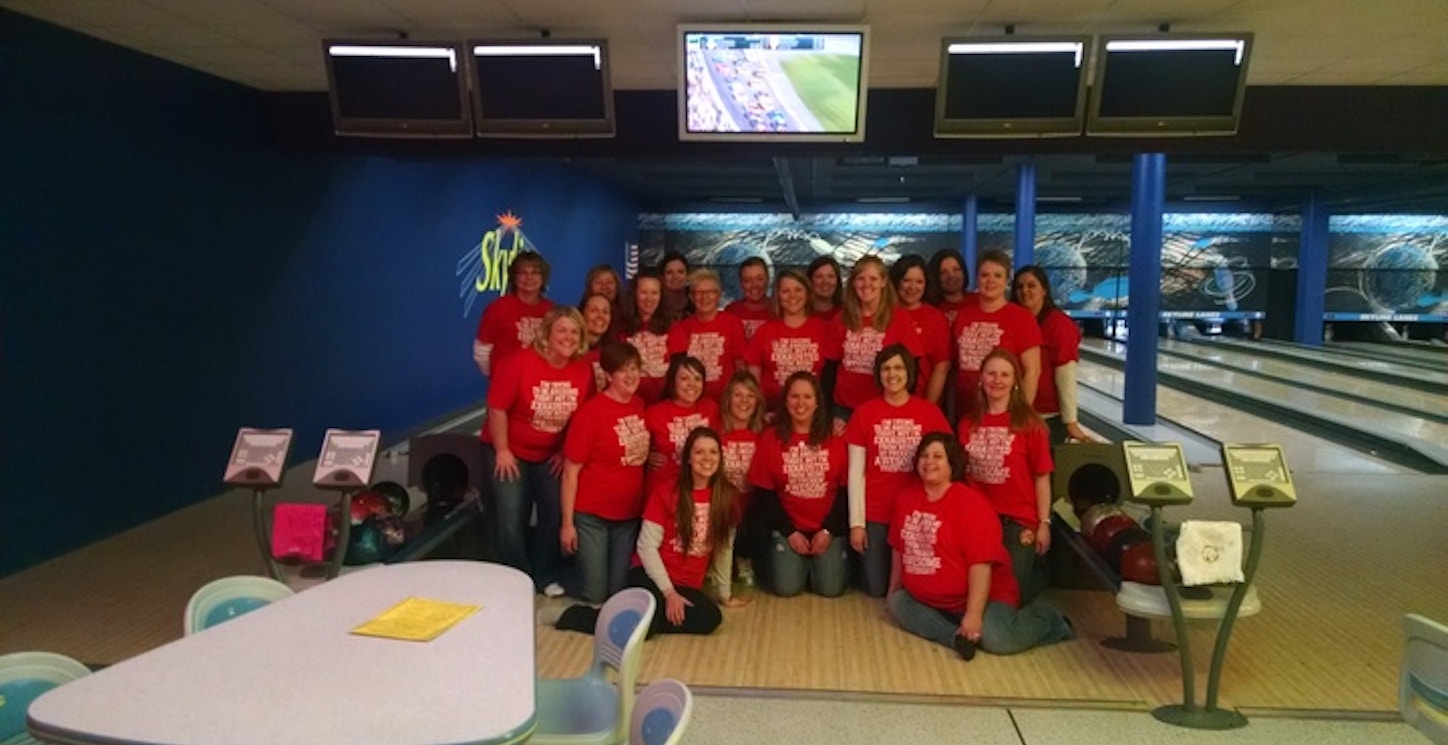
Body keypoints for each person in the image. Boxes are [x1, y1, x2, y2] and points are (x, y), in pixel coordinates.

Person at [887, 433, 1073, 658]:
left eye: (938, 456)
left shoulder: (971, 505)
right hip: (930, 600)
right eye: (924, 456)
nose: (929, 462)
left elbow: (981, 564)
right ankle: (955, 637)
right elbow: (899, 549)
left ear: (952, 464)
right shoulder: (905, 498)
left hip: (983, 597)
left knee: (998, 640)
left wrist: (974, 615)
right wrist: (893, 590)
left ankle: (1052, 621)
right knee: (898, 604)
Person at [554, 427, 749, 636]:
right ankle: (576, 616)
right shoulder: (666, 492)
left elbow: (724, 549)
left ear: (720, 457)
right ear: (689, 459)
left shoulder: (727, 497)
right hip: (650, 576)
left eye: (713, 452)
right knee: (646, 628)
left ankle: (640, 615)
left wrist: (725, 594)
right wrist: (669, 593)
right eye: (699, 452)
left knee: (710, 618)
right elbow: (646, 547)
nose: (707, 458)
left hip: (686, 584)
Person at [482, 306, 594, 595]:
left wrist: (563, 451)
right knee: (510, 518)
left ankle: (544, 576)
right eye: (562, 330)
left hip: (549, 453)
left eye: (574, 331)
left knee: (554, 513)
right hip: (509, 448)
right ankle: (519, 579)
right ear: (546, 333)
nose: (568, 337)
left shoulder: (582, 371)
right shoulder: (519, 362)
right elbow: (497, 409)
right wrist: (503, 450)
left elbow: (582, 418)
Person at [845, 345, 952, 598]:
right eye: (886, 368)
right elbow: (855, 473)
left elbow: (949, 464)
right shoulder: (864, 413)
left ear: (909, 372)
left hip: (918, 513)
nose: (892, 374)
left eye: (899, 368)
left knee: (915, 587)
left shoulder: (929, 412)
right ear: (878, 374)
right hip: (876, 512)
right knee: (877, 589)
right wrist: (857, 524)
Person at [957, 348, 1054, 604]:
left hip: (1018, 521)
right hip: (980, 520)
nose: (997, 380)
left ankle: (1040, 574)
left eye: (1004, 375)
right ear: (981, 379)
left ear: (1015, 382)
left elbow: (1042, 477)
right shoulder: (968, 423)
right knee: (975, 593)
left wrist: (1044, 523)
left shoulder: (1031, 425)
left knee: (1009, 598)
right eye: (991, 374)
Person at [559, 341, 652, 604]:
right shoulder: (591, 413)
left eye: (634, 368)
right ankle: (560, 576)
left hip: (628, 514)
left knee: (619, 592)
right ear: (609, 375)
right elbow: (570, 472)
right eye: (623, 370)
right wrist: (567, 524)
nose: (631, 375)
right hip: (592, 516)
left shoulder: (639, 405)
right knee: (595, 595)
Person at [748, 372, 850, 598]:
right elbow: (765, 496)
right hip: (788, 528)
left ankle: (817, 563)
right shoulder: (770, 438)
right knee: (786, 589)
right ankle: (796, 563)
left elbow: (844, 493)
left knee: (830, 590)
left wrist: (828, 531)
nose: (800, 403)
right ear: (785, 401)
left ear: (817, 403)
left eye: (807, 397)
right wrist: (790, 532)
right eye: (794, 397)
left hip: (827, 528)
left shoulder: (835, 438)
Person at [824, 255, 924, 423]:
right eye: (860, 279)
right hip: (844, 410)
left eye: (873, 278)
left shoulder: (899, 318)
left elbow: (912, 366)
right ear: (853, 283)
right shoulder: (841, 319)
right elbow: (830, 370)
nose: (866, 284)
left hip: (885, 407)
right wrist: (827, 413)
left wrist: (903, 407)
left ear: (883, 282)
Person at [951, 250, 1042, 421]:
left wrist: (1022, 413)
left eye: (998, 275)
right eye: (985, 275)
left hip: (1005, 412)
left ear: (1007, 280)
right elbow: (956, 368)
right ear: (977, 278)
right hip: (966, 412)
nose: (990, 280)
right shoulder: (964, 315)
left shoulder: (1021, 318)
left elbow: (1032, 371)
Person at [1013, 266, 1092, 444]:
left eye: (1031, 285)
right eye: (1019, 287)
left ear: (1044, 290)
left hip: (1047, 417)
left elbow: (1066, 375)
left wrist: (1070, 422)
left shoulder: (1059, 325)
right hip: (1014, 414)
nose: (1025, 291)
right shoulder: (1013, 321)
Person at [745, 268, 830, 410]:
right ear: (777, 296)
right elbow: (753, 383)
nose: (792, 296)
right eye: (785, 291)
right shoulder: (764, 332)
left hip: (811, 412)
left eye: (798, 290)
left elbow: (830, 378)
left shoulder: (823, 329)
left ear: (808, 293)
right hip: (772, 411)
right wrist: (761, 413)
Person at [644, 355, 721, 494]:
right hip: (664, 490)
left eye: (697, 379)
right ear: (673, 382)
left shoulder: (711, 408)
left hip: (700, 490)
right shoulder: (654, 413)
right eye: (684, 379)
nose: (692, 384)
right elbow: (634, 447)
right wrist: (646, 457)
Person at [668, 269, 747, 401]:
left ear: (719, 295)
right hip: (693, 399)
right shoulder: (681, 327)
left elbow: (740, 366)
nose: (705, 297)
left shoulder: (732, 323)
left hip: (726, 399)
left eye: (710, 292)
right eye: (699, 293)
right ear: (691, 297)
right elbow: (678, 370)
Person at [473, 251, 553, 378]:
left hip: (540, 381)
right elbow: (482, 350)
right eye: (523, 272)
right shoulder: (498, 308)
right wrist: (497, 376)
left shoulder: (551, 310)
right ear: (514, 277)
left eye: (535, 272)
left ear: (543, 278)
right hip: (506, 381)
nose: (529, 277)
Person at [719, 369, 766, 586]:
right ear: (728, 398)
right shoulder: (716, 430)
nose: (744, 402)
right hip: (721, 503)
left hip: (751, 505)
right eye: (738, 395)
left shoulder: (764, 432)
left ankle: (743, 557)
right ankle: (716, 562)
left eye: (750, 396)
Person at [890, 254, 952, 406]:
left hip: (920, 399)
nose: (912, 287)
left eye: (919, 281)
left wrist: (926, 408)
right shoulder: (883, 314)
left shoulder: (935, 318)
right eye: (906, 280)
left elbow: (941, 367)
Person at [616, 269, 673, 403]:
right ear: (634, 294)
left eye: (654, 293)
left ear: (661, 296)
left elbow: (677, 373)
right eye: (643, 292)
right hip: (628, 401)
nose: (649, 298)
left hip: (663, 402)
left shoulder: (674, 328)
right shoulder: (619, 327)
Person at [725, 257, 773, 341]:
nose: (754, 285)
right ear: (741, 283)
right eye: (747, 280)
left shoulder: (779, 309)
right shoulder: (731, 311)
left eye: (759, 279)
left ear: (768, 279)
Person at [926, 249, 974, 325]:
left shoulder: (978, 301)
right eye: (943, 272)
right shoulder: (928, 308)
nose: (951, 276)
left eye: (956, 270)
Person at [578, 292, 613, 392]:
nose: (600, 316)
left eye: (605, 312)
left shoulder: (613, 351)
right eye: (594, 310)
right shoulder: (570, 351)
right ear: (581, 314)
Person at [806, 256, 844, 321]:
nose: (825, 281)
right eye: (819, 277)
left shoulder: (847, 314)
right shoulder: (800, 314)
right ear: (810, 280)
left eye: (830, 276)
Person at [659, 251, 693, 321]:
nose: (675, 277)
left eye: (680, 272)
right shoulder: (655, 302)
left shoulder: (697, 300)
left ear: (688, 275)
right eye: (669, 272)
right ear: (662, 277)